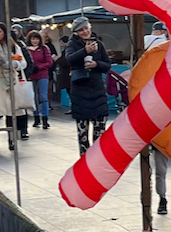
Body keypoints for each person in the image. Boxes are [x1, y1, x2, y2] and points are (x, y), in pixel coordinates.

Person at [65, 16, 111, 156]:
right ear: (76, 32)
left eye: (86, 28)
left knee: (100, 133)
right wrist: (85, 51)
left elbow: (107, 65)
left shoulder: (98, 44)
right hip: (80, 91)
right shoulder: (72, 44)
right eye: (81, 30)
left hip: (97, 90)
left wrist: (97, 64)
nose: (85, 32)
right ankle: (85, 162)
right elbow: (69, 59)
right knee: (83, 133)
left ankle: (97, 160)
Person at [0, 22, 32, 149]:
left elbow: (23, 63)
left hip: (11, 82)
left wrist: (15, 64)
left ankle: (12, 139)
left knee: (12, 113)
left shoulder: (13, 47)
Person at [24, 29, 54, 129]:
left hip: (43, 75)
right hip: (31, 76)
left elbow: (49, 62)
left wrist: (39, 67)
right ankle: (36, 117)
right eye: (33, 39)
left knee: (43, 97)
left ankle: (45, 118)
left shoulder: (45, 49)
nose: (35, 41)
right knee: (33, 97)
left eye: (36, 39)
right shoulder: (26, 50)